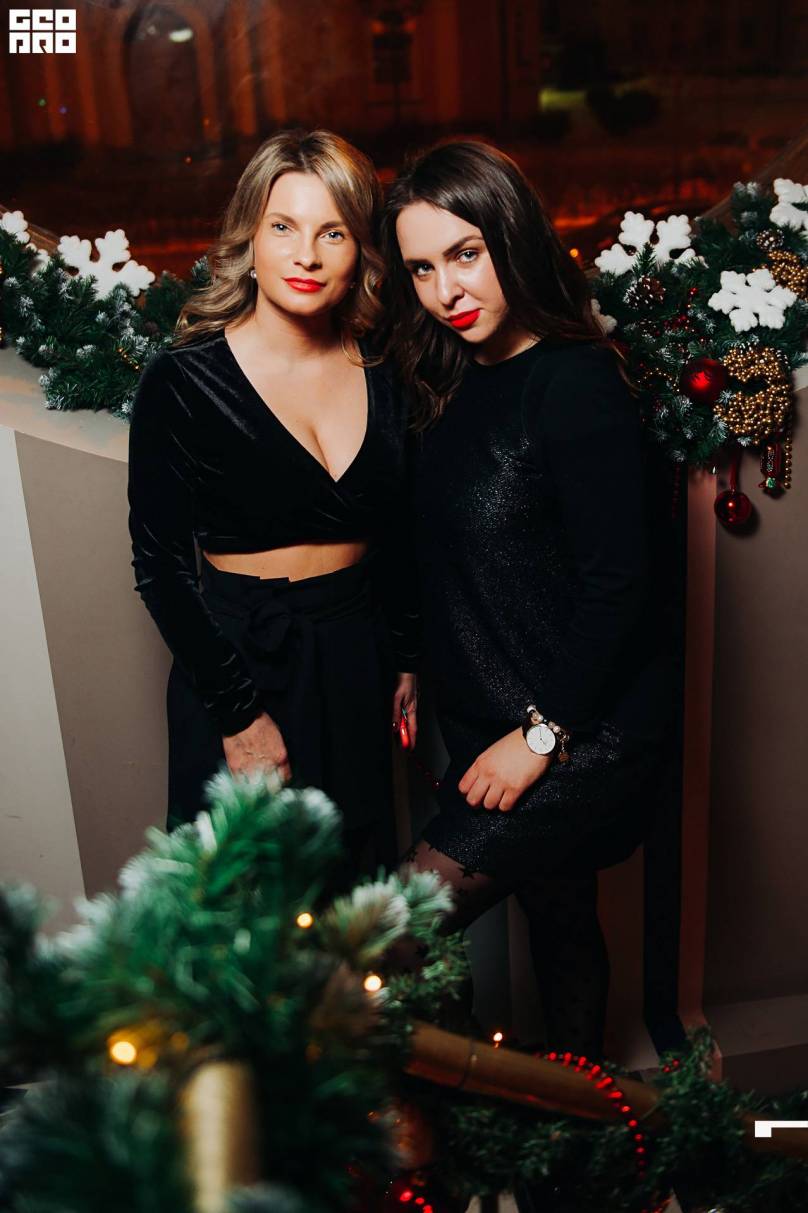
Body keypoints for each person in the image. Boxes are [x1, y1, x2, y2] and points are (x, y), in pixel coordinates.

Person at [381, 140, 676, 1060]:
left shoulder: (578, 381)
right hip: (489, 710)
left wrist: (542, 735)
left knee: (388, 935)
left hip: (579, 729)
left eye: (465, 254)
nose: (445, 289)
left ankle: (481, 1114)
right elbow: (436, 551)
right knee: (560, 911)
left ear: (510, 235)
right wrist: (410, 659)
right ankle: (575, 1122)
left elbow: (621, 586)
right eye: (421, 268)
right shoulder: (443, 381)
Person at [128, 129, 418, 877]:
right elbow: (161, 569)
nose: (306, 255)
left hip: (355, 658)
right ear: (248, 237)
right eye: (283, 226)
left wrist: (405, 660)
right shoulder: (183, 380)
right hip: (240, 664)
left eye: (333, 232)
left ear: (361, 251)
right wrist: (238, 714)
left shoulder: (388, 371)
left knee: (354, 902)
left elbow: (401, 537)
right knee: (245, 912)